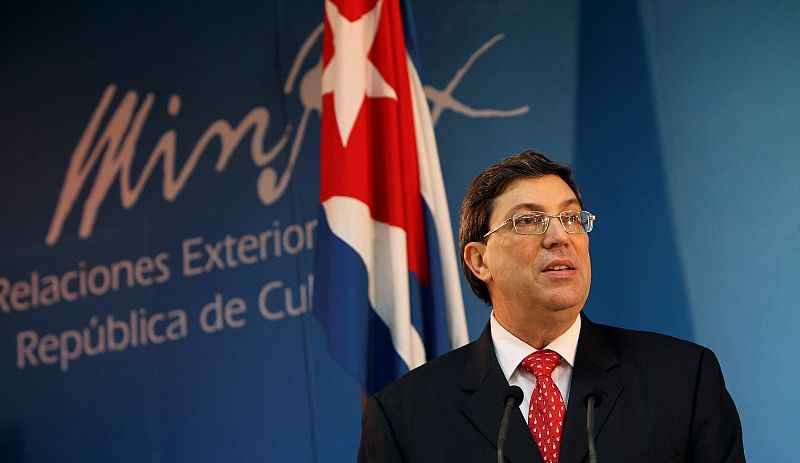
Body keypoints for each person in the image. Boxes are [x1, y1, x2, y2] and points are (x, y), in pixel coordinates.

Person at [358, 150, 745, 462]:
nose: (560, 236)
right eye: (529, 220)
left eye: (572, 217)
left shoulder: (683, 379)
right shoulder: (403, 415)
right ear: (479, 261)